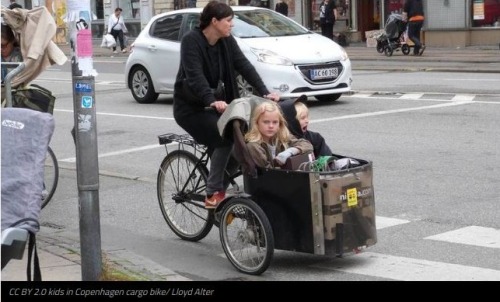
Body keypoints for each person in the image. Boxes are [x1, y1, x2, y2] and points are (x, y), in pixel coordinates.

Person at [173, 1, 279, 209]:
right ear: (214, 21)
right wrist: (211, 100)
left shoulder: (227, 41)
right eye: (229, 20)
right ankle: (213, 192)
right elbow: (195, 76)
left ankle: (220, 182)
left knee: (243, 140)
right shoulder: (191, 41)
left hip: (220, 106)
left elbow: (244, 66)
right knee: (225, 136)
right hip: (192, 109)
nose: (232, 25)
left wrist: (265, 91)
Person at [245, 101, 314, 169]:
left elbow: (308, 145)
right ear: (257, 123)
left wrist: (290, 151)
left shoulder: (282, 137)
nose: (271, 126)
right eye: (266, 122)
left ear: (280, 124)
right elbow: (267, 171)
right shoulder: (253, 146)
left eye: (275, 122)